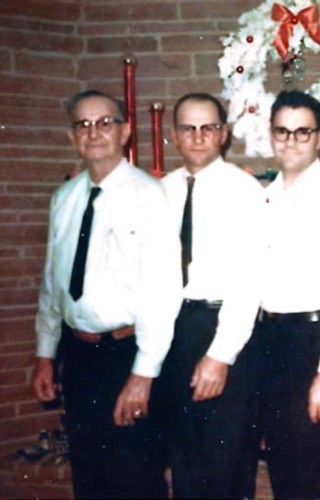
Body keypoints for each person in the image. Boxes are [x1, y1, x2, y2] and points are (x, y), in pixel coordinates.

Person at [31, 89, 182, 499]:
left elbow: (162, 293)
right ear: (71, 136)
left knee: (136, 478)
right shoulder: (64, 198)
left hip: (127, 355)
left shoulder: (148, 195)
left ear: (125, 132)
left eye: (104, 123)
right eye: (83, 124)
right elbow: (52, 282)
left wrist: (142, 375)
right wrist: (45, 354)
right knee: (90, 478)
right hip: (78, 357)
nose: (93, 132)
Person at [252, 89, 320, 499]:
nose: (291, 141)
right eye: (283, 131)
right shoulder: (267, 196)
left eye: (302, 132)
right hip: (271, 342)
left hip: (315, 343)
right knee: (286, 465)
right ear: (271, 135)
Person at [160, 92, 265, 499]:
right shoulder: (161, 191)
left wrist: (220, 355)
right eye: (188, 128)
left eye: (208, 127)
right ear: (174, 135)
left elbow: (250, 279)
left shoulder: (244, 190)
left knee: (226, 462)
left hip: (224, 328)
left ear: (224, 133)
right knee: (184, 456)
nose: (198, 137)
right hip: (173, 329)